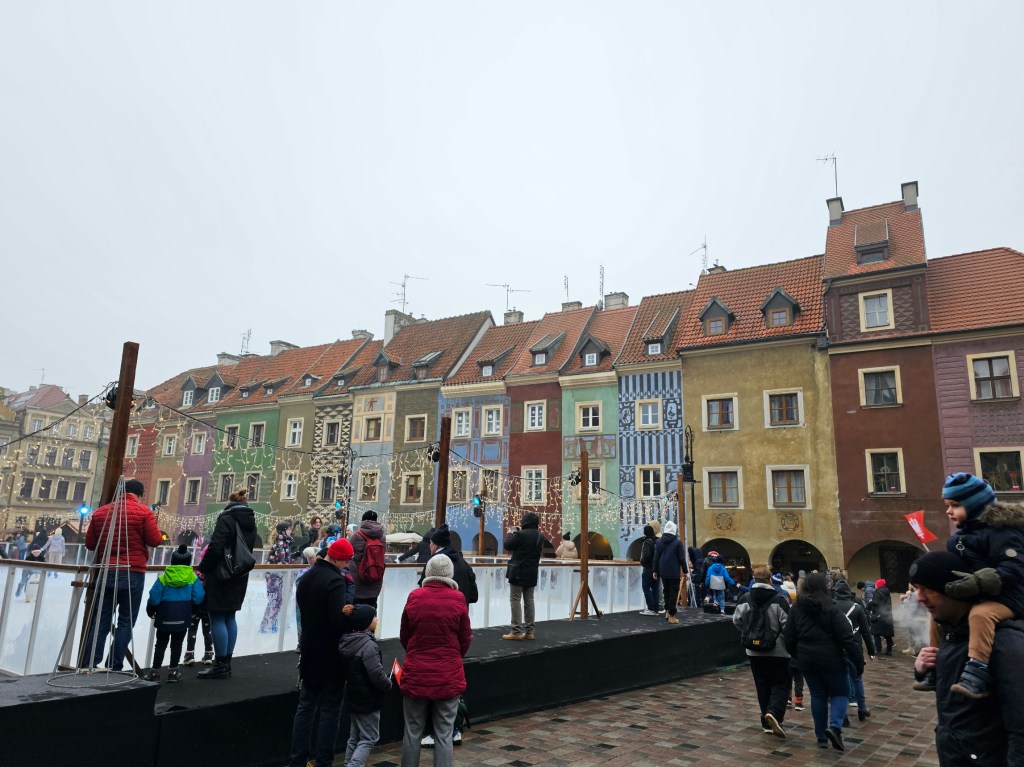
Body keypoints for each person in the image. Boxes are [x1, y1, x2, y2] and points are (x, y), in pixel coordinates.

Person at [910, 550, 1024, 765]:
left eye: (928, 589)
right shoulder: (951, 633)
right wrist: (923, 669)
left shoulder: (1003, 641)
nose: (920, 598)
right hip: (955, 754)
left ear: (958, 590)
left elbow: (1020, 725)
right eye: (917, 589)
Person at [936, 471, 1024, 698]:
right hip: (980, 593)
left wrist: (978, 581)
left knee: (980, 615)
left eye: (954, 505)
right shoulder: (963, 536)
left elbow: (1014, 568)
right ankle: (934, 658)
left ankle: (978, 670)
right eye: (948, 505)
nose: (948, 511)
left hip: (1010, 596)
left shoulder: (1002, 531)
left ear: (974, 505)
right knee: (938, 611)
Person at [399, 554, 472, 767]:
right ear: (449, 574)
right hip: (447, 674)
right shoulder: (458, 599)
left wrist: (416, 652)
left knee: (412, 731)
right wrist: (453, 658)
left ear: (428, 573)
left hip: (416, 673)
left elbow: (405, 635)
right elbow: (465, 639)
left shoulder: (414, 596)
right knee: (444, 733)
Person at [288, 538, 356, 767]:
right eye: (346, 561)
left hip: (309, 647)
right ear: (337, 557)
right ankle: (324, 761)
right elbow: (337, 618)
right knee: (330, 709)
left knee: (306, 705)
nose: (346, 565)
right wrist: (351, 612)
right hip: (331, 652)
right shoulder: (336, 581)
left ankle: (298, 759)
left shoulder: (305, 577)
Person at [84, 478, 163, 670]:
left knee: (100, 619)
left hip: (106, 570)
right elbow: (155, 540)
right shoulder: (145, 512)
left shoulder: (101, 513)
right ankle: (114, 664)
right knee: (126, 620)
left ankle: (89, 664)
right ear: (139, 494)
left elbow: (90, 544)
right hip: (132, 571)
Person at [783, 572, 864, 751]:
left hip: (807, 659)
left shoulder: (796, 608)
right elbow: (847, 638)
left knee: (818, 695)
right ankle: (835, 727)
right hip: (832, 658)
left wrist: (796, 654)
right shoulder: (831, 608)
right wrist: (858, 661)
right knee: (841, 692)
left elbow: (788, 636)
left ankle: (821, 737)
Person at [196, 487, 257, 679]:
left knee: (217, 617)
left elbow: (215, 547)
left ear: (229, 503)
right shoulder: (250, 520)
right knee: (230, 616)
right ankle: (227, 662)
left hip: (222, 573)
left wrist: (203, 569)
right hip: (240, 573)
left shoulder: (226, 518)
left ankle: (219, 663)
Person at [733, 564, 792, 738]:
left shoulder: (745, 598)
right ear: (769, 579)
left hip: (753, 650)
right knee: (781, 683)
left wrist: (750, 633)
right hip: (778, 650)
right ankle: (774, 713)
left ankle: (766, 723)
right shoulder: (779, 599)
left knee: (762, 684)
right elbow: (787, 625)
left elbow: (737, 621)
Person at [339, 604, 392, 767]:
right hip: (368, 699)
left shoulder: (348, 641)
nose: (376, 619)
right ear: (366, 623)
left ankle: (349, 763)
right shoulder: (368, 646)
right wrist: (388, 683)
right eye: (374, 617)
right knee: (369, 738)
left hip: (354, 696)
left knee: (354, 737)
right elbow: (375, 673)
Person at [144, 545, 205, 683]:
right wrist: (195, 610)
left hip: (164, 617)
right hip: (183, 617)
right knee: (177, 644)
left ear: (172, 561)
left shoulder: (164, 577)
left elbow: (154, 596)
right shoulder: (192, 578)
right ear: (189, 562)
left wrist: (151, 610)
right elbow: (199, 596)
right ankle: (173, 672)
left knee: (160, 644)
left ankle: (155, 672)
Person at [833, 580, 875, 720]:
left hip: (835, 648)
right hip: (854, 647)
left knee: (839, 680)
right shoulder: (857, 608)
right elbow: (865, 632)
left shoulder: (830, 607)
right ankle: (862, 709)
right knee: (857, 679)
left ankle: (843, 715)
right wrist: (871, 650)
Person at [502, 511, 544, 640]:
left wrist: (512, 533)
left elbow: (507, 545)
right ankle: (530, 631)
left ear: (524, 522)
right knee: (529, 600)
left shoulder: (520, 534)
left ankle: (516, 631)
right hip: (532, 573)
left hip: (518, 573)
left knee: (515, 600)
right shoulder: (540, 536)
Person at [423, 524, 477, 605]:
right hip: (460, 613)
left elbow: (423, 588)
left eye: (431, 542)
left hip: (438, 612)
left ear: (436, 545)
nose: (429, 545)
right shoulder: (463, 562)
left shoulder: (433, 563)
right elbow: (474, 596)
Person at [183, 544, 214, 666]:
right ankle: (209, 654)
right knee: (208, 630)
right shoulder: (213, 574)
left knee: (192, 629)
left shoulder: (196, 573)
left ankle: (190, 654)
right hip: (208, 606)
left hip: (195, 607)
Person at [260, 521, 293, 634]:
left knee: (278, 601)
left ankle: (273, 624)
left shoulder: (284, 543)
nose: (290, 531)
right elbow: (281, 561)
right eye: (289, 529)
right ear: (283, 531)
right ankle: (265, 625)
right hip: (274, 577)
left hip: (278, 577)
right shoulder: (280, 544)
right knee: (274, 601)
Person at [349, 510, 387, 609]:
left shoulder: (357, 536)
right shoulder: (382, 537)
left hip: (359, 578)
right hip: (375, 577)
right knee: (372, 609)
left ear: (363, 521)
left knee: (357, 612)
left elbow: (348, 553)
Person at [653, 521, 685, 624]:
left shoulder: (659, 542)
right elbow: (681, 558)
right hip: (673, 571)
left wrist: (655, 570)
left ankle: (667, 611)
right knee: (673, 593)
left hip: (663, 570)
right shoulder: (677, 542)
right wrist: (685, 570)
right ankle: (672, 615)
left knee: (666, 591)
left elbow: (656, 558)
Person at [868, 578, 895, 656]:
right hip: (887, 615)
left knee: (876, 634)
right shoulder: (887, 592)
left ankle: (879, 650)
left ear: (878, 585)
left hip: (879, 615)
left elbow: (876, 603)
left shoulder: (877, 592)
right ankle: (889, 651)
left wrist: (870, 604)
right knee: (888, 634)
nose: (875, 586)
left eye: (876, 585)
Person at [638, 524, 659, 616]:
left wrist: (642, 562)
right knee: (655, 588)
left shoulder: (647, 542)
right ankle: (656, 608)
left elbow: (646, 555)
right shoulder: (657, 541)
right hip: (656, 568)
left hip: (648, 568)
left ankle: (650, 608)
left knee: (646, 587)